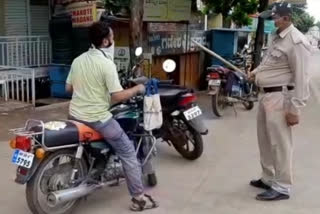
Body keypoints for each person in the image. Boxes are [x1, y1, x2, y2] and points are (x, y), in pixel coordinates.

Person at [65, 21, 158, 211]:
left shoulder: (78, 60)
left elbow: (68, 88)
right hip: (97, 118)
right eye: (112, 37)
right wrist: (137, 89)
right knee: (127, 151)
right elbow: (116, 96)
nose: (113, 40)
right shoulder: (106, 64)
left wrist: (87, 88)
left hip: (74, 114)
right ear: (106, 41)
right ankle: (139, 199)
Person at [249, 3, 312, 201]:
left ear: (287, 18)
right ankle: (268, 178)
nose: (272, 21)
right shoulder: (277, 38)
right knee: (265, 140)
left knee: (280, 143)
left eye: (275, 17)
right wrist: (255, 74)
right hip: (266, 96)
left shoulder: (297, 42)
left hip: (280, 97)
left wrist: (295, 108)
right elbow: (268, 63)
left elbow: (302, 77)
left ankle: (282, 186)